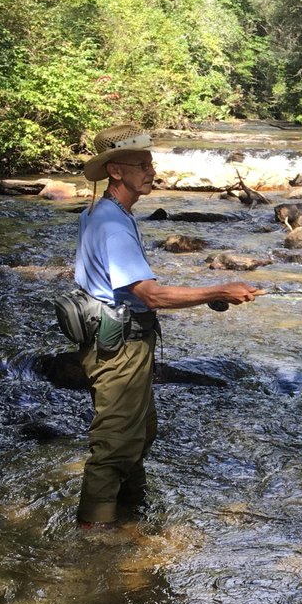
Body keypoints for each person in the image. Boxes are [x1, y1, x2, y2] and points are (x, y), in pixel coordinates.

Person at [73, 124, 264, 526]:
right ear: (115, 171)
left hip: (116, 340)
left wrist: (212, 294)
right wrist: (218, 290)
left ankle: (130, 515)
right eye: (141, 165)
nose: (151, 171)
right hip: (119, 349)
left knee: (139, 434)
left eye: (151, 163)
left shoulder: (105, 212)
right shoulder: (112, 225)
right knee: (115, 445)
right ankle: (94, 537)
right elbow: (151, 295)